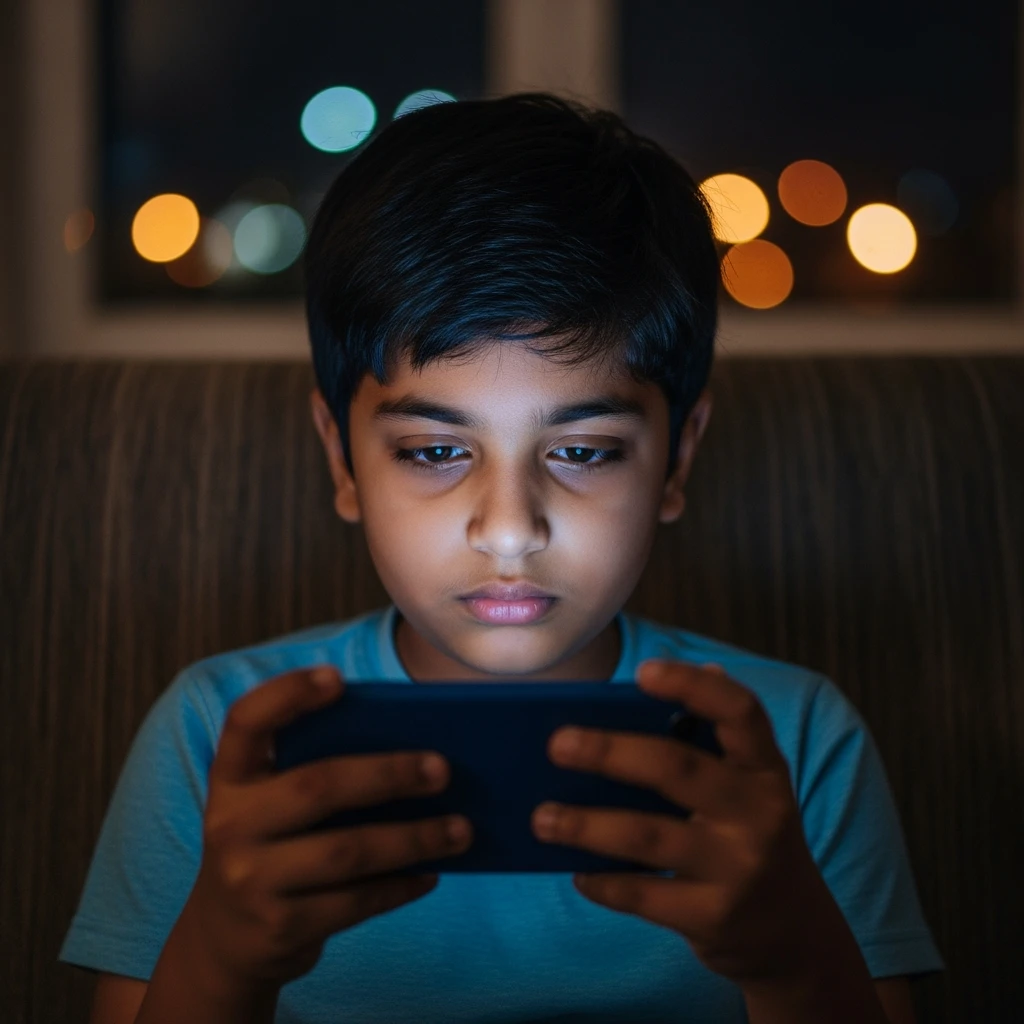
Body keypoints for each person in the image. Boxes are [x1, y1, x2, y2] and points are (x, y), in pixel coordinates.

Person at [60, 93, 943, 1024]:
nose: (511, 528)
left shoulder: (793, 744)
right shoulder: (216, 738)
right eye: (436, 451)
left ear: (677, 458)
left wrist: (794, 960)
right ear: (342, 460)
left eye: (585, 450)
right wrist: (220, 957)